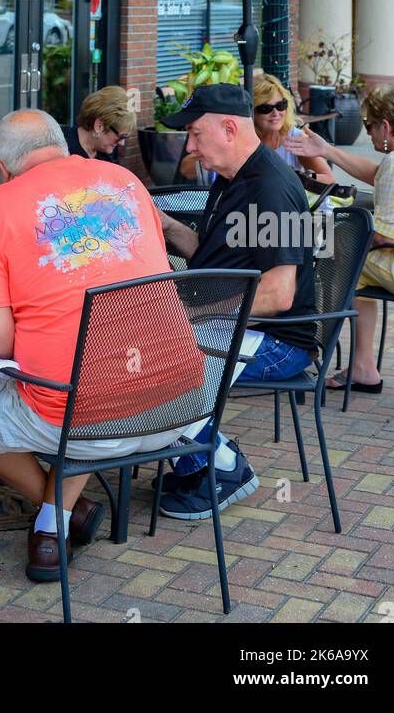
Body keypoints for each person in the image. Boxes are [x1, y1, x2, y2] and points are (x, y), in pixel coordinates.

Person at [0, 109, 210, 583]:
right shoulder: (125, 181)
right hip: (179, 406)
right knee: (85, 372)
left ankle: (62, 516)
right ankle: (52, 527)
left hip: (81, 417)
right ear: (62, 143)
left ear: (4, 169)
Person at [155, 84, 318, 519]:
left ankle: (224, 466)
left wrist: (189, 312)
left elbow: (280, 294)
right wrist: (165, 225)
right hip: (238, 328)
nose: (189, 147)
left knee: (154, 361)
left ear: (229, 128)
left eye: (195, 134)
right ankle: (195, 461)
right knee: (142, 344)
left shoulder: (270, 187)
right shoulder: (233, 178)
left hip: (278, 342)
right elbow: (213, 254)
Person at [296, 82, 394, 393]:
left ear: (386, 126)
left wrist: (336, 237)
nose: (369, 134)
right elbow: (381, 175)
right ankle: (363, 365)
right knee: (349, 260)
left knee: (340, 260)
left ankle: (308, 346)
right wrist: (326, 150)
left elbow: (385, 235)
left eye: (369, 126)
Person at [253, 72, 335, 182]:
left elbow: (329, 178)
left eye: (280, 105)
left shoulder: (296, 138)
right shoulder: (242, 141)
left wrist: (300, 178)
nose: (276, 113)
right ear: (251, 112)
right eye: (265, 108)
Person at [62, 85, 135, 161]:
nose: (122, 143)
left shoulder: (105, 155)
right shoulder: (63, 153)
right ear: (99, 126)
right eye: (121, 137)